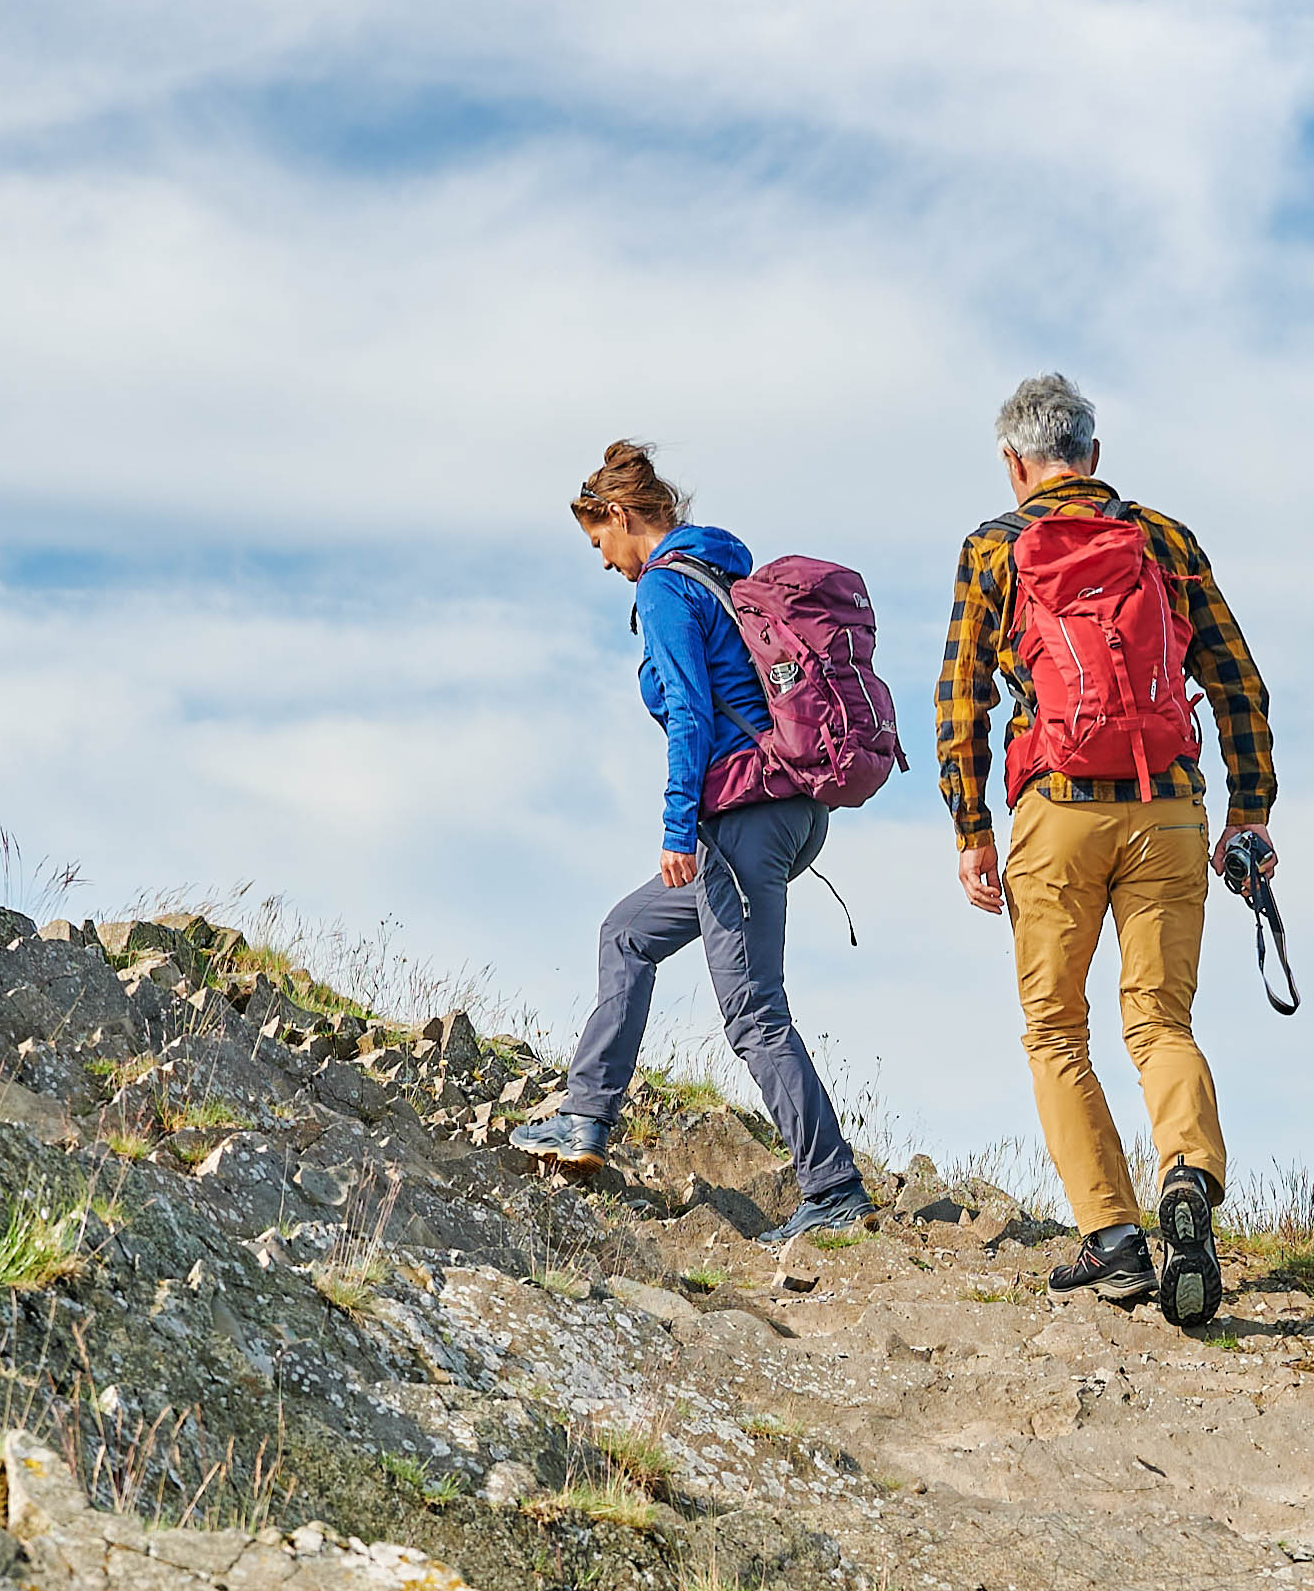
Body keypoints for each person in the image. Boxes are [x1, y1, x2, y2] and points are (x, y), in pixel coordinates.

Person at [932, 376, 1275, 1322]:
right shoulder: (1162, 538)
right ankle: (1190, 1179)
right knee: (1159, 1021)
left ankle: (1115, 1240)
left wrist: (972, 830)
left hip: (1059, 809)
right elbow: (1239, 681)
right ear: (1094, 452)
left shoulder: (994, 548)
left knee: (1055, 1029)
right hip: (1169, 809)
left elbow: (961, 700)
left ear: (1014, 463)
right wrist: (1250, 812)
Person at [514, 441, 880, 1239]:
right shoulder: (722, 573)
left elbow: (690, 713)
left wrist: (678, 825)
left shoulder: (671, 588)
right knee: (628, 933)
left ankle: (833, 1191)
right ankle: (584, 1118)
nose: (603, 563)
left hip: (744, 817)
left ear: (620, 516)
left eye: (599, 543)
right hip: (781, 810)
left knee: (751, 1010)